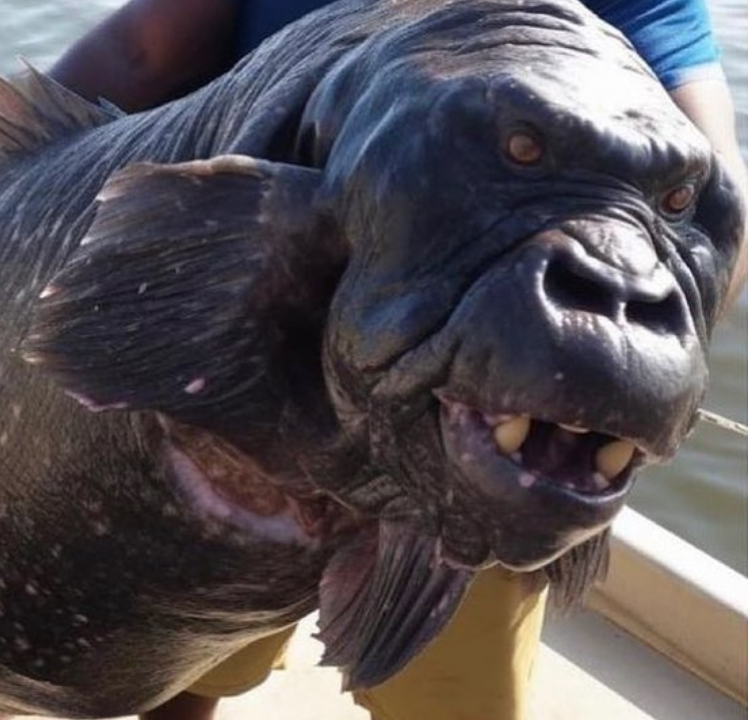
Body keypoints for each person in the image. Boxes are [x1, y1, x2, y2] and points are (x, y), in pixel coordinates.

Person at [48, 2, 747, 720]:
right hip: (286, 373)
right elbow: (140, 52)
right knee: (196, 662)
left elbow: (717, 187)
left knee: (409, 690)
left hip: (472, 399)